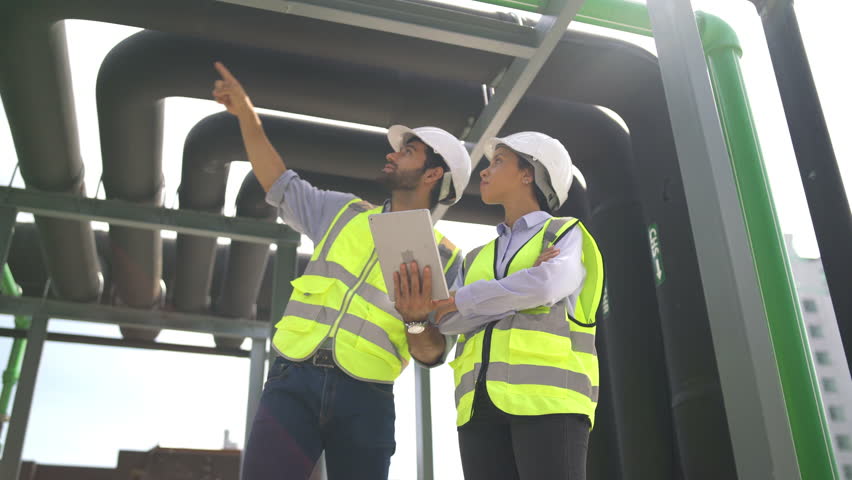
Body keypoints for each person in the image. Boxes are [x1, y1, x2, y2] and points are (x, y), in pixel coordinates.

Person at [211, 61, 472, 480]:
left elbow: (433, 355)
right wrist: (246, 113)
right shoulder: (344, 212)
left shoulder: (450, 262)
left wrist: (417, 322)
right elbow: (278, 182)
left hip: (366, 398)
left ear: (433, 173)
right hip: (291, 380)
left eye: (407, 152)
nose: (392, 154)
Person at [395, 132, 604, 480]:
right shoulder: (477, 256)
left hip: (549, 404)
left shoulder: (565, 233)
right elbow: (447, 321)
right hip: (478, 409)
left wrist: (471, 299)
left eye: (498, 161)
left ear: (529, 174)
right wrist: (519, 290)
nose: (484, 171)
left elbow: (549, 284)